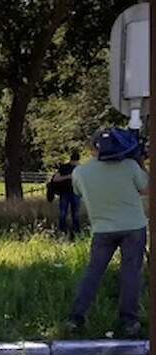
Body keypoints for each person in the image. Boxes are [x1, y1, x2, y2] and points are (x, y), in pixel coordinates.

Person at [66, 129, 149, 337]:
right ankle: (129, 321)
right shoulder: (129, 166)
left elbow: (77, 192)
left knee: (93, 272)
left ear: (92, 148)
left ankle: (76, 318)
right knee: (131, 274)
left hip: (102, 229)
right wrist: (139, 161)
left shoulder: (80, 172)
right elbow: (146, 188)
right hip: (133, 227)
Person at [48, 152, 81, 238]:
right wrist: (68, 176)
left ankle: (76, 231)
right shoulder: (64, 168)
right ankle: (62, 230)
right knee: (63, 213)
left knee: (75, 213)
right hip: (65, 192)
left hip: (76, 193)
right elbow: (56, 179)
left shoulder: (80, 168)